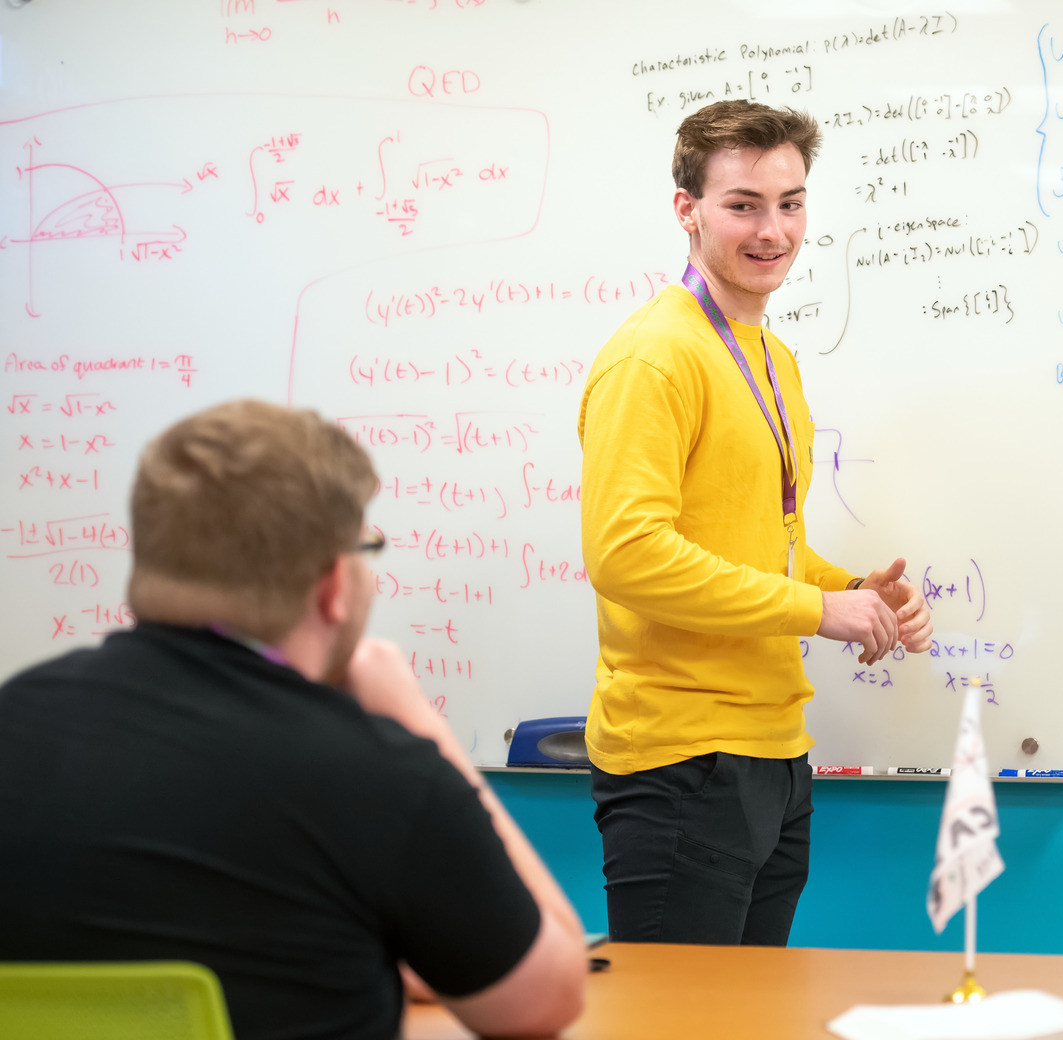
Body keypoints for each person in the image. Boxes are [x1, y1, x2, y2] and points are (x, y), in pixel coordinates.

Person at [0, 400, 587, 1040]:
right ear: (335, 584)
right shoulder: (377, 770)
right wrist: (420, 725)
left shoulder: (15, 716)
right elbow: (545, 1000)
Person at [578, 99, 934, 946]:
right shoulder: (655, 357)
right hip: (680, 762)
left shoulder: (772, 358)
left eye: (792, 202)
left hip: (773, 756)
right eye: (743, 204)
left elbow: (760, 543)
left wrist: (854, 593)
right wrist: (817, 612)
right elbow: (627, 557)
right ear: (687, 209)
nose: (773, 230)